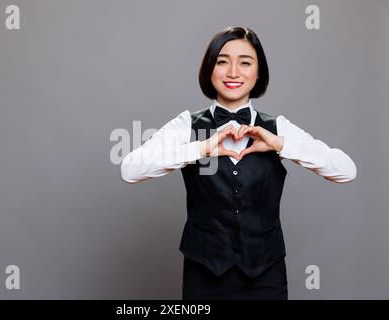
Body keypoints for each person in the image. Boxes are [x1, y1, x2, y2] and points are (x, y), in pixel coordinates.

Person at [120, 26, 357, 300]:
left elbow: (346, 169)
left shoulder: (277, 127)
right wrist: (200, 147)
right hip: (204, 277)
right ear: (210, 69)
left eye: (245, 62)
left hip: (266, 276)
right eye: (222, 61)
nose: (233, 72)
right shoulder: (187, 125)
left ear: (258, 73)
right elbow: (130, 169)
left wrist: (281, 145)